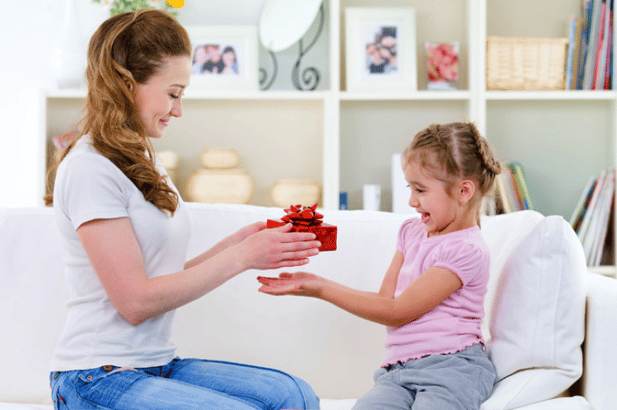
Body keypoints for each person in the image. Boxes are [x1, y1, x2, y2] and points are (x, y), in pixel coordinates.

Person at [44, 9, 320, 410]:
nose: (178, 110)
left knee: (295, 395)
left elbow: (163, 279)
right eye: (173, 93)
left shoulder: (140, 155)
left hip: (155, 365)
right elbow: (136, 302)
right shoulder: (90, 167)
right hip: (93, 376)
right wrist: (241, 258)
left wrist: (236, 245)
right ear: (125, 84)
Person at [258, 122, 502, 410]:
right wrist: (314, 281)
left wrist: (321, 289)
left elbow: (398, 313)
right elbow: (386, 300)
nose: (412, 201)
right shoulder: (411, 232)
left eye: (421, 190)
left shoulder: (466, 249)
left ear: (463, 191)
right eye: (410, 188)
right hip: (399, 372)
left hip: (454, 369)